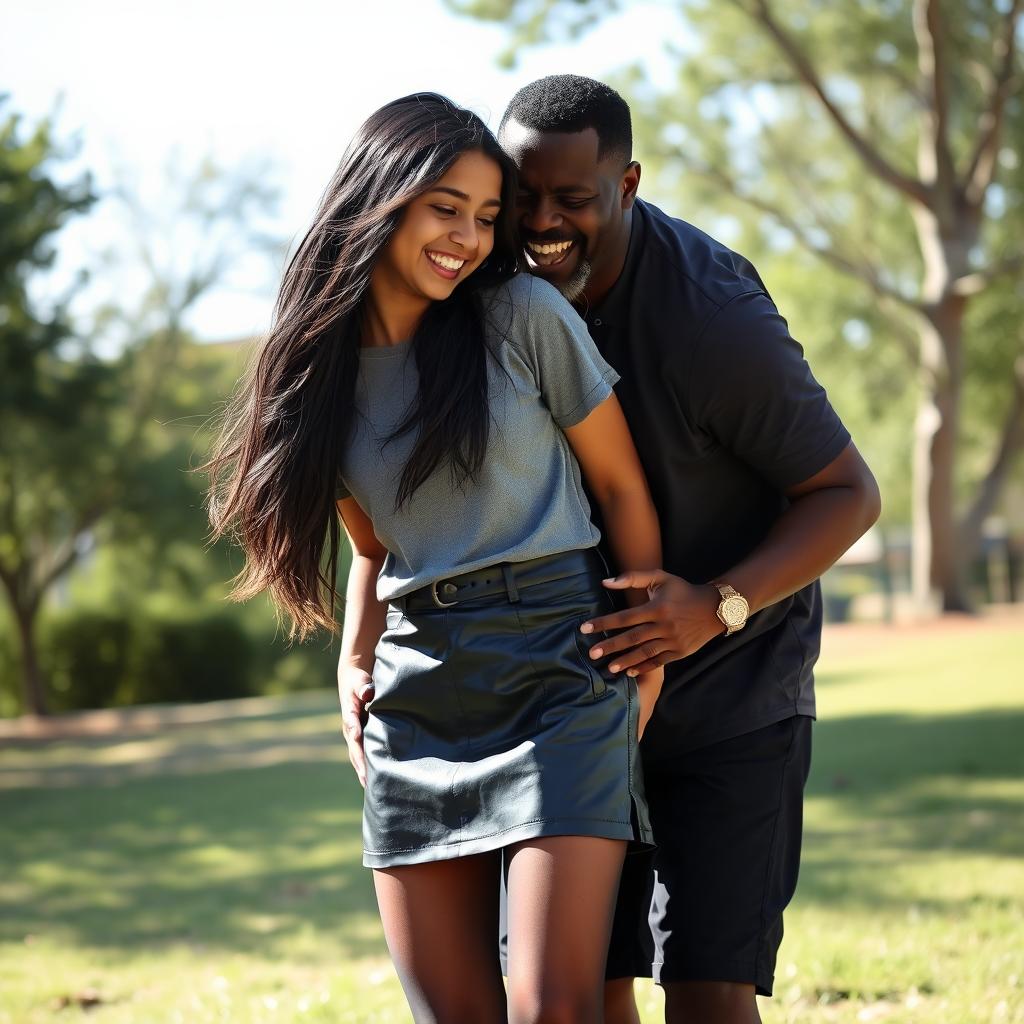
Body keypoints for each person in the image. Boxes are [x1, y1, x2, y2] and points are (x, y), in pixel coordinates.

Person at [206, 92, 665, 1024]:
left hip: (560, 671)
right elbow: (373, 546)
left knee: (553, 1008)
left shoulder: (523, 316)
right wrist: (352, 658)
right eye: (444, 208)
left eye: (485, 217)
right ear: (382, 199)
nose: (466, 237)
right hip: (418, 697)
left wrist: (643, 648)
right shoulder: (316, 380)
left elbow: (620, 490)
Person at [495, 76, 881, 1024]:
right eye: (523, 196)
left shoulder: (712, 320)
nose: (541, 223)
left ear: (627, 184)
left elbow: (847, 493)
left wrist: (713, 608)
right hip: (574, 697)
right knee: (579, 986)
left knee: (709, 990)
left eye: (573, 200)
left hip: (733, 691)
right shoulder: (491, 288)